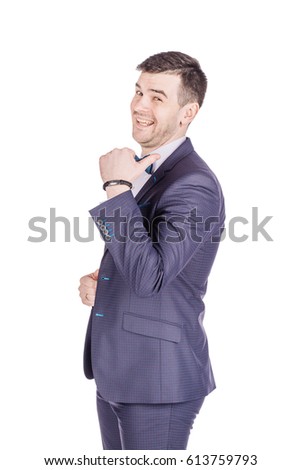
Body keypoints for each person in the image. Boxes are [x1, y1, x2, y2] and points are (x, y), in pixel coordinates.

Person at [78, 51, 225, 450]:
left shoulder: (194, 183)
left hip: (158, 380)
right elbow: (145, 261)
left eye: (157, 97)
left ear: (187, 111)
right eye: (139, 91)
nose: (139, 105)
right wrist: (103, 281)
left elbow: (150, 279)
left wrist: (115, 188)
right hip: (119, 370)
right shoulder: (151, 168)